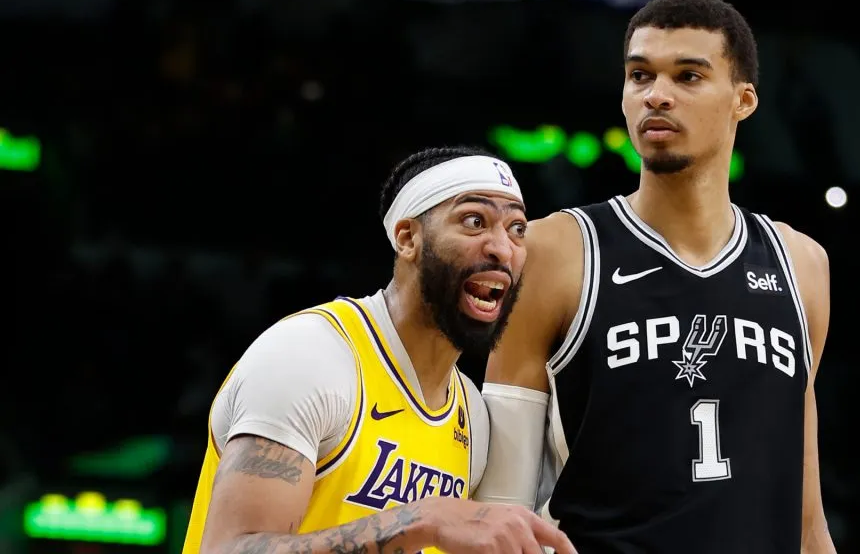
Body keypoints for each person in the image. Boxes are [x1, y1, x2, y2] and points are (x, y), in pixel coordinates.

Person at [474, 0, 836, 554]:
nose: (656, 95)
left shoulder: (801, 264)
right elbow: (501, 505)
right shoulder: (556, 249)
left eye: (688, 77)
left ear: (743, 100)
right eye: (640, 76)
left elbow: (806, 520)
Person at [182, 146, 576, 554]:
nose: (503, 248)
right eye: (475, 222)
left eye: (517, 229)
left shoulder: (471, 415)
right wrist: (423, 520)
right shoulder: (310, 357)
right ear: (407, 238)